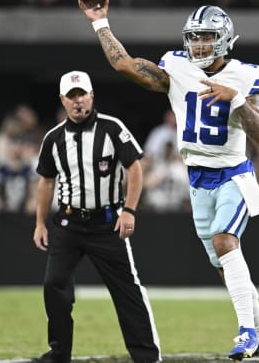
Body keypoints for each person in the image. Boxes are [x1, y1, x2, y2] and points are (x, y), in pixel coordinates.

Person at [79, 1, 259, 362]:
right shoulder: (176, 67)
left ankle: (247, 333)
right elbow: (125, 64)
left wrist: (236, 98)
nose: (199, 46)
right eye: (194, 38)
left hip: (234, 174)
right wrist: (101, 23)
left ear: (224, 40)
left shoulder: (245, 75)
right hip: (197, 178)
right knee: (225, 265)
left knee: (226, 242)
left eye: (207, 38)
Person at [31, 71, 161, 363]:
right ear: (63, 100)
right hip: (68, 223)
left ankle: (147, 358)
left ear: (91, 96)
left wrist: (129, 210)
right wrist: (40, 223)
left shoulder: (112, 128)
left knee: (127, 291)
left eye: (82, 94)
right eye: (72, 96)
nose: (78, 101)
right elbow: (46, 182)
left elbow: (135, 168)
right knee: (55, 285)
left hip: (106, 223)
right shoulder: (53, 138)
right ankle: (59, 353)